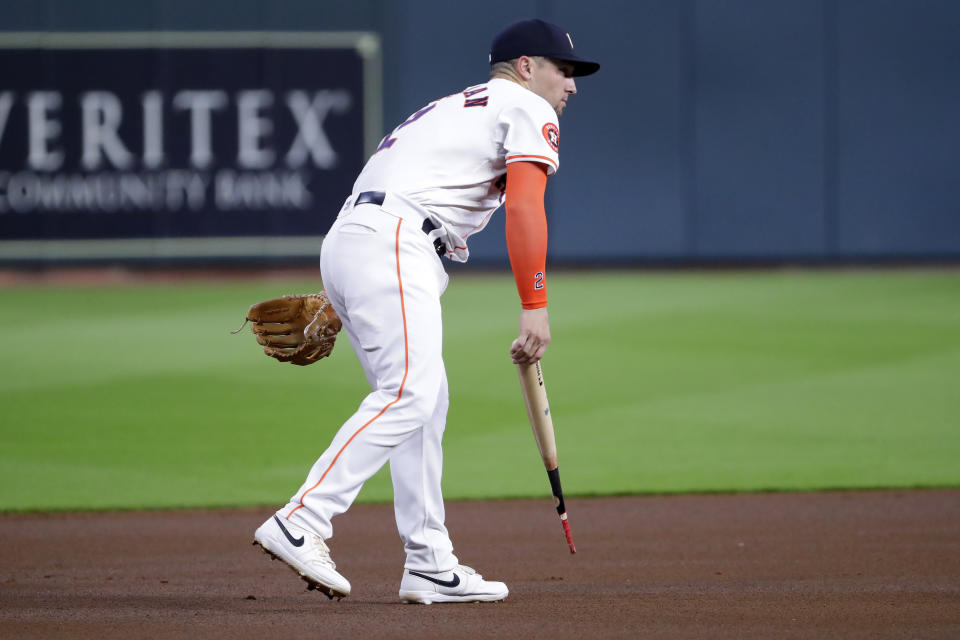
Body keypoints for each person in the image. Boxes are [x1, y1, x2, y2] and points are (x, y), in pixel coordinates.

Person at [253, 18, 599, 604]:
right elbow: (525, 208)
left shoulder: (458, 106)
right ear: (525, 67)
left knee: (424, 399)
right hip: (394, 241)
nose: (572, 85)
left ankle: (429, 563)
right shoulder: (523, 105)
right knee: (409, 392)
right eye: (563, 69)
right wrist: (534, 304)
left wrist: (348, 295)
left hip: (359, 239)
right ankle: (302, 519)